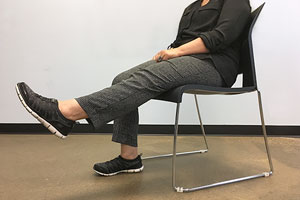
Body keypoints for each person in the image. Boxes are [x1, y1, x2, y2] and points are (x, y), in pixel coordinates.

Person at [16, 0, 251, 176]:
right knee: (121, 78)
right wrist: (169, 53)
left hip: (214, 65)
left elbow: (222, 36)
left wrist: (176, 52)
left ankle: (67, 113)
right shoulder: (193, 6)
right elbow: (181, 41)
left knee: (147, 77)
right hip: (185, 61)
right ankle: (129, 158)